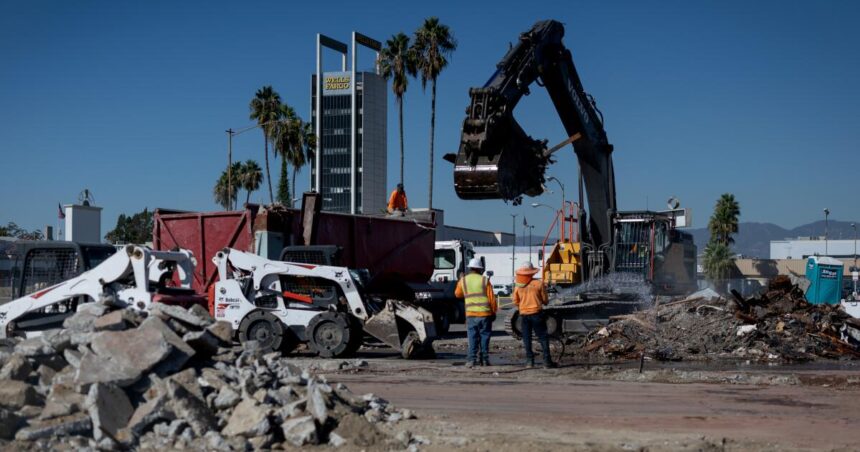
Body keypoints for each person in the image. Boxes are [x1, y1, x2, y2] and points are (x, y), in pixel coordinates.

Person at [513, 262, 558, 369]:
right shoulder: (538, 284)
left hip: (524, 315)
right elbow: (545, 300)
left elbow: (515, 301)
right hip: (536, 314)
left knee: (527, 338)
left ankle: (529, 362)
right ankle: (547, 362)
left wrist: (523, 305)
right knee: (543, 337)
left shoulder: (518, 285)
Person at [454, 257, 497, 367]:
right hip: (485, 314)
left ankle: (472, 360)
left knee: (472, 337)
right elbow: (491, 298)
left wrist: (460, 280)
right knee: (485, 337)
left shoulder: (464, 280)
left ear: (470, 268)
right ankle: (484, 360)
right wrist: (493, 312)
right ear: (480, 269)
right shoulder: (485, 280)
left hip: (471, 314)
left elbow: (457, 294)